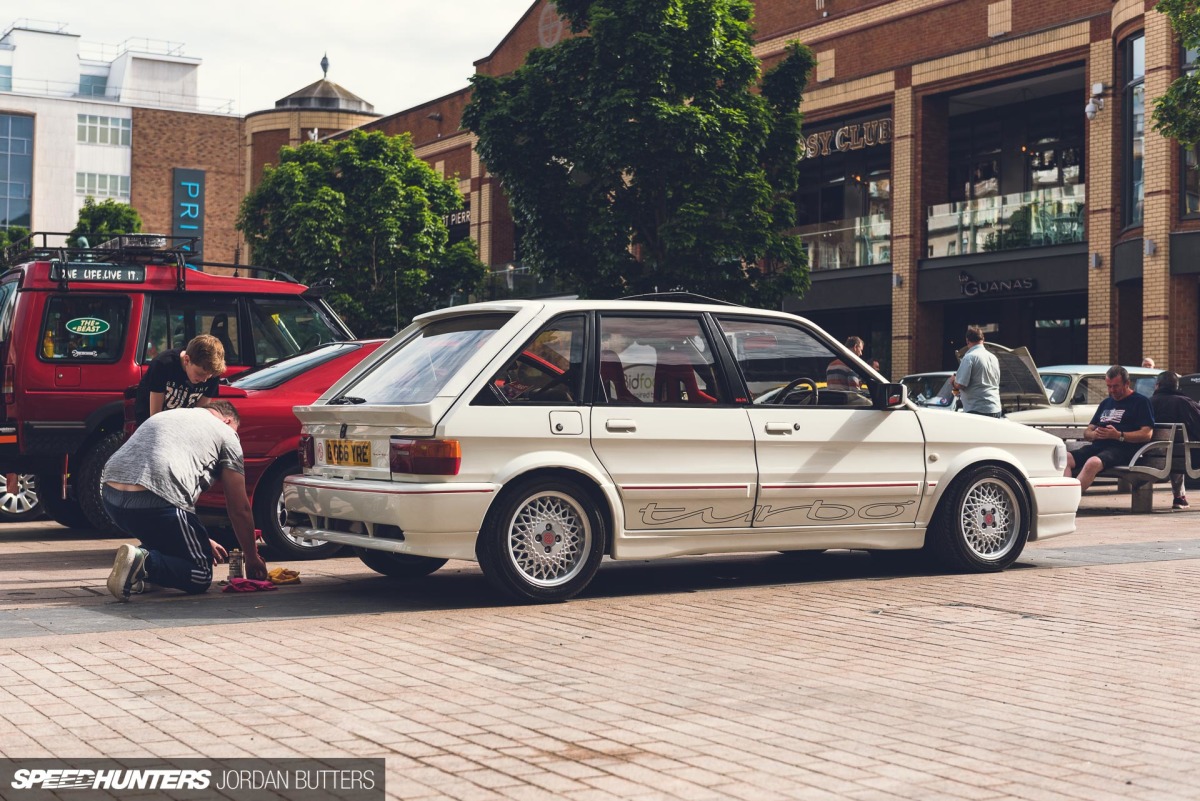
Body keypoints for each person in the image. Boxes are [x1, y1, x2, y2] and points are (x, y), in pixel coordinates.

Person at [103, 401, 267, 601]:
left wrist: (200, 539)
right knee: (200, 574)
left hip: (111, 496)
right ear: (227, 420)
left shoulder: (168, 415)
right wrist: (251, 557)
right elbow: (239, 507)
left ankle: (136, 571)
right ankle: (144, 562)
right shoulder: (226, 433)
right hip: (158, 497)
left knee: (167, 544)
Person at [1065, 365, 1155, 492]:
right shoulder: (1106, 403)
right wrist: (1094, 435)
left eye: (1116, 386)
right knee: (1065, 458)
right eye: (1109, 386)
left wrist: (1119, 435)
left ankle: (1070, 500)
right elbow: (1087, 431)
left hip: (1122, 449)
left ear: (1127, 383)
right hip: (1098, 447)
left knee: (1093, 463)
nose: (1112, 390)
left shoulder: (1141, 402)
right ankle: (1064, 496)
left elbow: (1147, 434)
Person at [134, 334, 226, 424]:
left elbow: (199, 415)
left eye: (209, 376)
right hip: (150, 423)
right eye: (200, 374)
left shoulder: (213, 373)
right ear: (187, 360)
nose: (204, 380)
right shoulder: (163, 364)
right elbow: (155, 417)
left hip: (183, 426)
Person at [1149, 370, 1200, 509]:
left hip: (1149, 456)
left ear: (1157, 386)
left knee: (1175, 451)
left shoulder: (1147, 403)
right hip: (1186, 458)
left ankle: (1179, 497)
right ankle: (1179, 498)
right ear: (1177, 387)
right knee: (1180, 450)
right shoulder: (1185, 403)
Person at [951, 326, 1001, 417]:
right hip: (995, 408)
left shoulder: (969, 357)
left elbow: (961, 384)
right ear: (983, 339)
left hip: (977, 409)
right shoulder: (994, 358)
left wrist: (953, 381)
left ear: (967, 341)